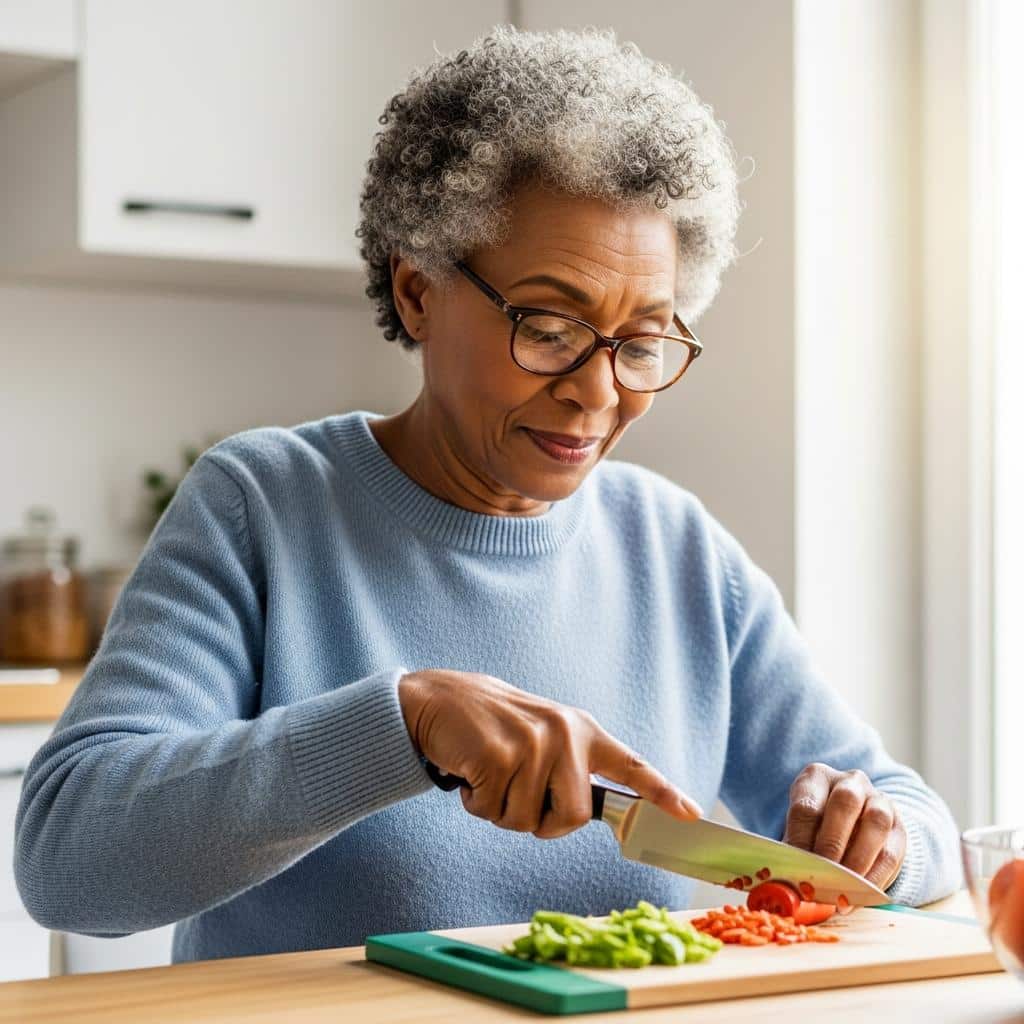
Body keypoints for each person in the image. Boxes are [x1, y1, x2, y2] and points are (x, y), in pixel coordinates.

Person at [15, 25, 960, 963]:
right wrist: (402, 722)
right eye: (551, 327)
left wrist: (878, 841)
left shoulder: (676, 550)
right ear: (419, 290)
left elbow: (917, 821)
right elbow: (68, 863)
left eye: (642, 343)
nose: (598, 392)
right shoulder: (264, 505)